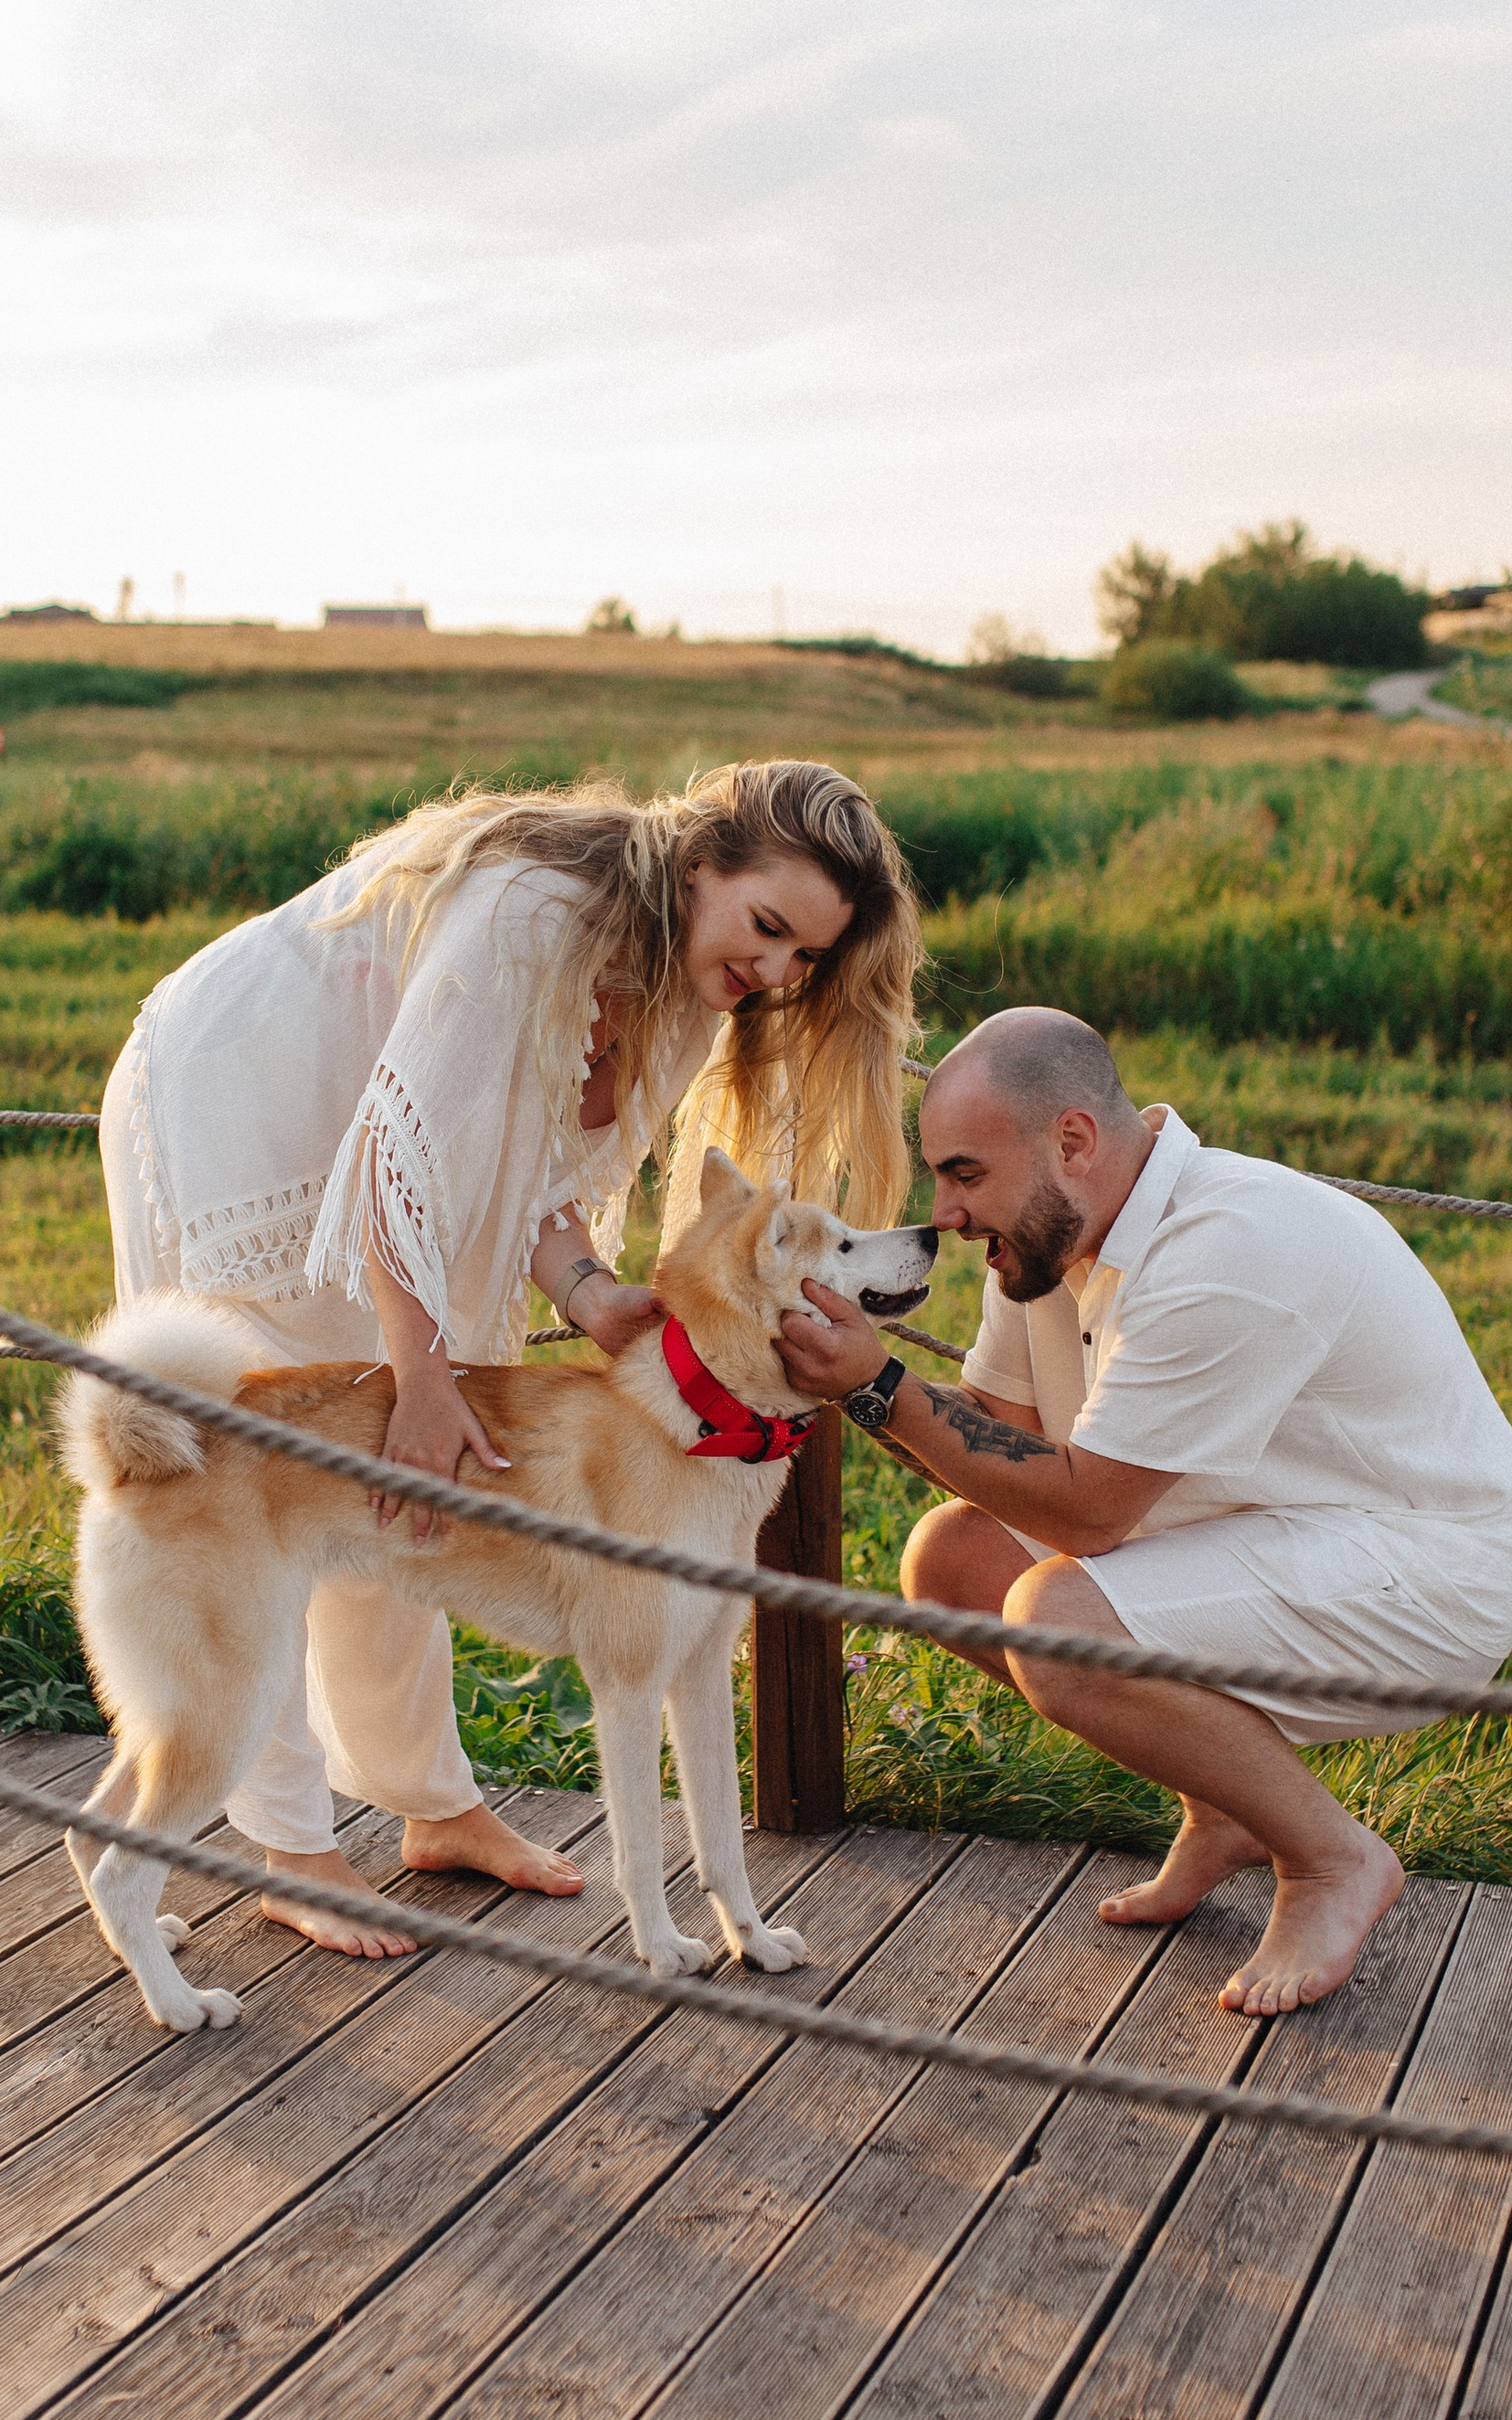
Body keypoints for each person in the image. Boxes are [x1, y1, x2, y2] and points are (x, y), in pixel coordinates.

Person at [101, 761, 921, 1953]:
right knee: (281, 1479)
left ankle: (427, 1804)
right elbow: (395, 1156)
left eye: (806, 960)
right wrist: (420, 1377)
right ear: (702, 869)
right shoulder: (532, 911)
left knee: (426, 1476)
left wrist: (590, 1295)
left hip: (380, 1152)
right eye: (769, 928)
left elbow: (535, 1174)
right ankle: (292, 1846)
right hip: (242, 1111)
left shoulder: (690, 990)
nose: (778, 974)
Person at [778, 1007, 1512, 2016]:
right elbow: (995, 1449)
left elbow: (1087, 1511)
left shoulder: (1229, 1244)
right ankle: (1225, 1809)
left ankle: (1329, 1861)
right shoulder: (1045, 1243)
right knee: (955, 1564)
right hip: (1275, 1530)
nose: (945, 1212)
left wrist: (876, 1388)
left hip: (1426, 1572)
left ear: (1073, 1144)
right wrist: (849, 1376)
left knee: (1055, 1624)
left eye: (964, 1173)